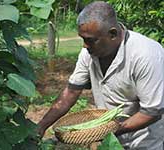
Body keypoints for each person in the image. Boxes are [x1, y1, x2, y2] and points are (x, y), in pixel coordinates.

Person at [38, 1, 164, 149]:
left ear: (113, 34)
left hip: (143, 140)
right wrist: (41, 126)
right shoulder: (89, 52)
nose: (85, 45)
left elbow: (152, 112)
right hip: (108, 138)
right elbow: (71, 92)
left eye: (90, 40)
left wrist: (105, 131)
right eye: (83, 39)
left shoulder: (145, 55)